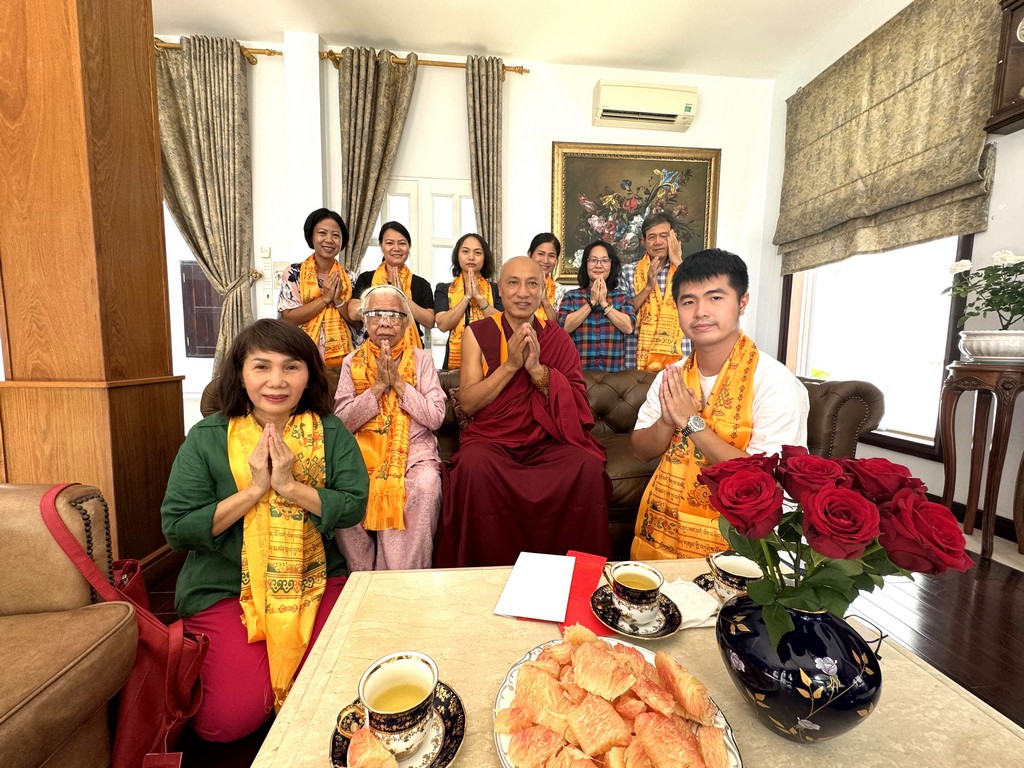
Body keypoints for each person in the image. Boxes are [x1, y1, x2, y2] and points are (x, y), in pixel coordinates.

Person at [161, 319, 368, 742]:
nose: (277, 381)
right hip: (227, 585)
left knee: (341, 699)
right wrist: (254, 490)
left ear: (309, 375)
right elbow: (178, 528)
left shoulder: (330, 432)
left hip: (314, 579)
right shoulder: (206, 438)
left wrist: (290, 487)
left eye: (291, 367)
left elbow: (353, 504)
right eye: (261, 366)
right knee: (225, 724)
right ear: (240, 374)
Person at [629, 249, 809, 560]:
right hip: (664, 529)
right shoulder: (671, 378)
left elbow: (765, 478)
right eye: (688, 301)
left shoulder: (775, 383)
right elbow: (641, 450)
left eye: (715, 298)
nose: (701, 312)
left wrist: (691, 422)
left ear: (742, 303)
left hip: (743, 543)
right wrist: (667, 420)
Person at [433, 256, 612, 567]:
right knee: (473, 466)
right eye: (513, 283)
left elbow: (578, 403)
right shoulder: (477, 333)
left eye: (532, 284)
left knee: (587, 466)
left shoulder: (558, 338)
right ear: (499, 289)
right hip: (493, 442)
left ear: (542, 291)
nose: (523, 292)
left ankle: (574, 573)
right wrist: (512, 365)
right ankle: (483, 572)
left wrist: (538, 371)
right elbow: (470, 402)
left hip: (547, 442)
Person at [335, 284, 446, 570]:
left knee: (425, 484)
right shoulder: (351, 363)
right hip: (362, 456)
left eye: (394, 315)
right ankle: (362, 576)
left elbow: (435, 417)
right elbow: (343, 422)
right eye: (376, 314)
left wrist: (398, 383)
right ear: (364, 319)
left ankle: (403, 578)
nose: (385, 322)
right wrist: (377, 388)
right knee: (344, 489)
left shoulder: (422, 360)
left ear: (407, 322)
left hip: (413, 454)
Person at [278, 208, 356, 366]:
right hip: (302, 353)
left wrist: (338, 301)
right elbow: (288, 318)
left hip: (343, 358)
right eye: (322, 233)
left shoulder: (350, 277)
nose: (329, 240)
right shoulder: (294, 273)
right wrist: (325, 299)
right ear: (311, 237)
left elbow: (357, 323)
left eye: (336, 235)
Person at [618, 213, 692, 370]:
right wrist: (648, 287)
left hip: (677, 356)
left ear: (673, 238)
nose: (658, 242)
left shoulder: (687, 271)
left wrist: (678, 262)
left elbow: (697, 302)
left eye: (664, 236)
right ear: (644, 242)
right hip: (636, 356)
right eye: (652, 237)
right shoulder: (628, 271)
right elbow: (622, 313)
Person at [349, 221, 435, 349]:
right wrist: (382, 298)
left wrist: (403, 297)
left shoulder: (421, 283)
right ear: (381, 246)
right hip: (372, 349)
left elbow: (429, 321)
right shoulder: (367, 278)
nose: (396, 248)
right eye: (389, 243)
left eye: (402, 243)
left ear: (409, 247)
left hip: (412, 350)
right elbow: (352, 313)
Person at [558, 240, 637, 372]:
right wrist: (592, 302)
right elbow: (564, 328)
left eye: (604, 260)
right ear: (586, 264)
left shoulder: (622, 296)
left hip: (613, 376)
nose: (599, 265)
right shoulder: (571, 296)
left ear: (611, 265)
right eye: (593, 260)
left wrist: (604, 303)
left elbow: (628, 327)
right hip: (578, 374)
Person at [433, 233, 503, 368]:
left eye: (477, 253)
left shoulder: (496, 289)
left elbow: (502, 323)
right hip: (453, 364)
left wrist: (479, 298)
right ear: (457, 256)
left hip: (489, 362)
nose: (471, 257)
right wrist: (467, 298)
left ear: (484, 258)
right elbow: (442, 324)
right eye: (465, 251)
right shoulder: (443, 289)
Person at [528, 232, 565, 323]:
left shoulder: (559, 290)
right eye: (541, 254)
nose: (546, 260)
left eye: (551, 256)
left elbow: (557, 326)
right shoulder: (518, 285)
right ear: (530, 254)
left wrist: (545, 301)